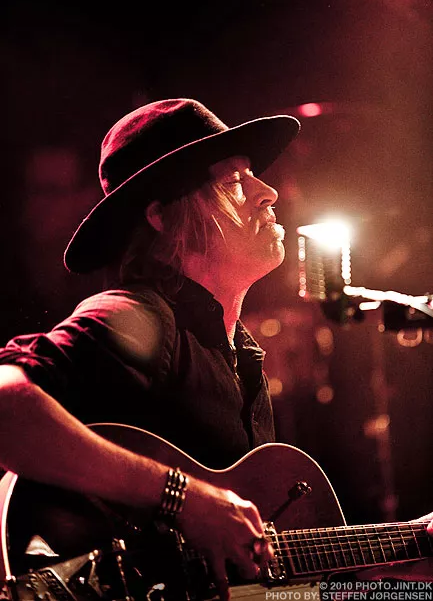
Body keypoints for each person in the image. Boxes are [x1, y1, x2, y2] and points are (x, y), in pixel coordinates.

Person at [0, 98, 432, 601]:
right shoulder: (137, 315)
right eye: (233, 181)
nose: (268, 192)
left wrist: (390, 568)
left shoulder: (240, 358)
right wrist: (183, 498)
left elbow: (258, 586)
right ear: (162, 216)